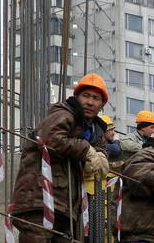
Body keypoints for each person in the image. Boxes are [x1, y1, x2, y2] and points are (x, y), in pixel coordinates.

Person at [12, 73, 110, 242]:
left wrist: (100, 156)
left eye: (96, 98)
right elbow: (51, 139)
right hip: (39, 201)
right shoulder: (64, 115)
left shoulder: (94, 131)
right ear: (76, 97)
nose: (90, 102)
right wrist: (86, 151)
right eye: (86, 95)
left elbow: (101, 150)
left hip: (65, 208)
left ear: (102, 105)